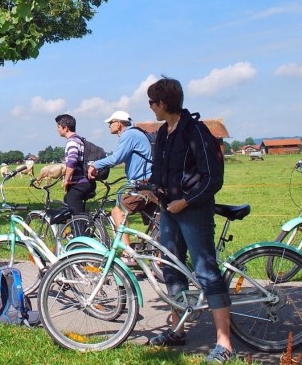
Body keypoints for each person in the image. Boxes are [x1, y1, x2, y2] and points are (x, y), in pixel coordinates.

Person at [145, 76, 234, 364]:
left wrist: (187, 201)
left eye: (152, 102)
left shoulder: (196, 131)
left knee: (206, 271)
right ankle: (177, 330)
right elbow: (160, 170)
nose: (150, 107)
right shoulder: (163, 133)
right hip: (168, 210)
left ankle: (224, 343)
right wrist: (151, 187)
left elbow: (213, 178)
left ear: (163, 102)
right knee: (172, 269)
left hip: (193, 211)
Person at [88, 110, 155, 262]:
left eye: (110, 123)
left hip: (143, 184)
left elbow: (117, 158)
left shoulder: (129, 134)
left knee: (118, 212)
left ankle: (127, 254)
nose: (109, 126)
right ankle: (158, 259)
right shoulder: (136, 134)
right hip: (149, 182)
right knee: (154, 221)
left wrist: (95, 164)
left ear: (119, 123)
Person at [54, 114, 96, 215]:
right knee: (68, 200)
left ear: (66, 128)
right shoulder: (79, 140)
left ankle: (79, 228)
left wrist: (66, 180)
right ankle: (81, 225)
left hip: (81, 182)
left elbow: (72, 161)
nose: (57, 129)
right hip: (87, 181)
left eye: (58, 127)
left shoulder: (72, 142)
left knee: (72, 200)